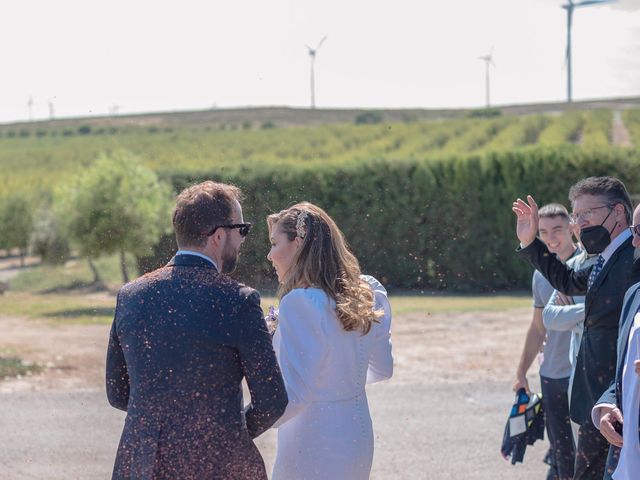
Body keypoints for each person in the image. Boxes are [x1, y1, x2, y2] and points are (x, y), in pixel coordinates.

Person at [106, 181, 288, 479]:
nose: (243, 240)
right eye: (242, 230)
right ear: (218, 236)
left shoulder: (130, 296)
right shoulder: (238, 300)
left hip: (141, 463)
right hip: (217, 465)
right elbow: (272, 401)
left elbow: (117, 393)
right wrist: (224, 434)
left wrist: (163, 426)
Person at [512, 176, 640, 479]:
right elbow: (567, 281)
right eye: (577, 215)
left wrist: (615, 398)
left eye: (587, 214)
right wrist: (531, 242)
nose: (579, 223)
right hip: (600, 400)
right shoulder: (605, 256)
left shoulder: (632, 258)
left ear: (618, 212)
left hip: (619, 402)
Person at [266, 202, 393, 480]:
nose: (269, 255)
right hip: (357, 435)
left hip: (313, 441)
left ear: (297, 244)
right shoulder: (368, 291)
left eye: (274, 243)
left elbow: (295, 395)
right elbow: (383, 369)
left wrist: (242, 424)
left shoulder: (300, 303)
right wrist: (340, 382)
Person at [512, 203, 578, 479]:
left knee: (586, 453)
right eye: (543, 232)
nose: (551, 238)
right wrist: (521, 371)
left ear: (572, 229)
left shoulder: (588, 268)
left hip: (580, 374)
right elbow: (537, 328)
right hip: (551, 374)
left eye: (558, 230)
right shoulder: (540, 275)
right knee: (562, 452)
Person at [592, 205, 640, 480]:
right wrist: (607, 405)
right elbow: (623, 369)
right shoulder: (634, 293)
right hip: (627, 462)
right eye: (634, 231)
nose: (634, 241)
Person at [543, 249, 596, 445]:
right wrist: (593, 310)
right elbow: (549, 317)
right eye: (578, 217)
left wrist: (570, 316)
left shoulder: (612, 263)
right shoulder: (571, 267)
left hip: (607, 374)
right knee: (582, 452)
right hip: (576, 376)